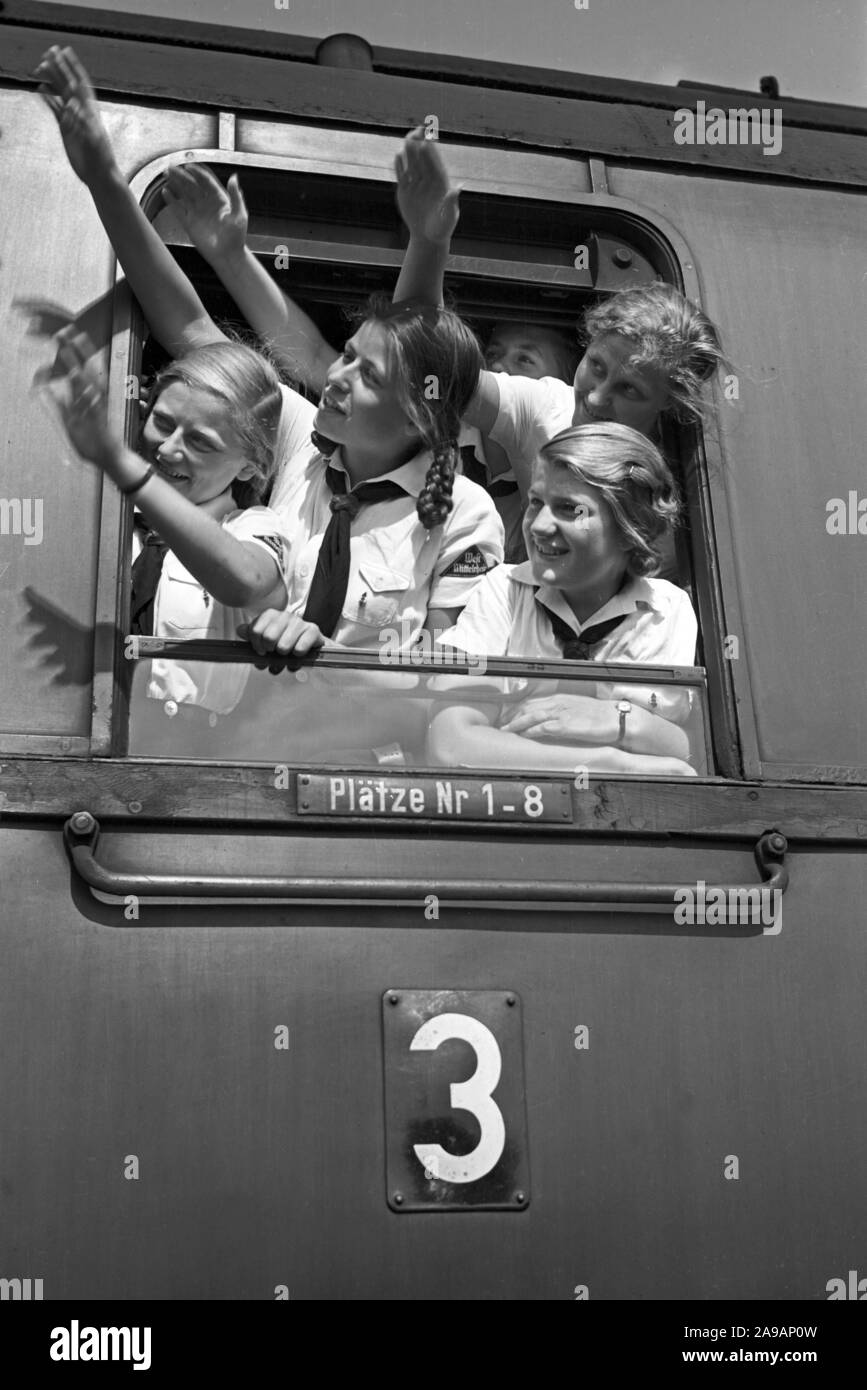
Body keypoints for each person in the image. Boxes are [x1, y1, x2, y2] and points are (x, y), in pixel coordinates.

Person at [35, 46, 504, 671]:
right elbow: (193, 331)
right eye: (347, 358)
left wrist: (332, 660)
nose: (334, 378)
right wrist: (105, 182)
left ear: (420, 416)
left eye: (366, 377)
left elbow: (452, 680)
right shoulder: (302, 450)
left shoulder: (464, 516)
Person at [159, 158, 577, 562]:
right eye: (495, 353)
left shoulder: (491, 489)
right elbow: (310, 352)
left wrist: (430, 242)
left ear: (554, 384)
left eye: (525, 360)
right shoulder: (333, 436)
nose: (500, 367)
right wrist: (232, 256)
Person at [33, 329, 289, 730]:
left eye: (201, 443)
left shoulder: (253, 527)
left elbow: (245, 582)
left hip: (186, 756)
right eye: (162, 422)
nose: (168, 449)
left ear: (250, 465)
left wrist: (125, 467)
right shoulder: (92, 510)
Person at [429, 423, 700, 777]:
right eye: (536, 502)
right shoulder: (503, 590)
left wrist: (618, 719)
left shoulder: (666, 611)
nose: (540, 526)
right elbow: (451, 743)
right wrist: (611, 760)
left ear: (629, 526)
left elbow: (687, 751)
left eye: (569, 509)